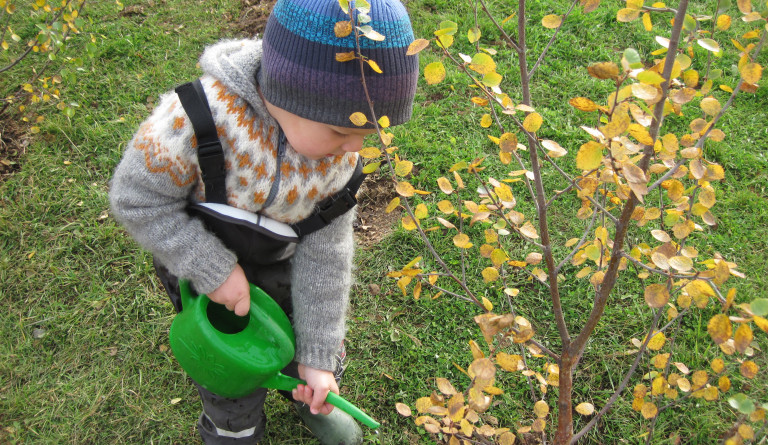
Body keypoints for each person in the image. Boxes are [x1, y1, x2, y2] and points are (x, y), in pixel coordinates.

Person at [108, 0, 419, 443]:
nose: (354, 148)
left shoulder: (335, 159)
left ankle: (310, 394)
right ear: (289, 93)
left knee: (306, 353)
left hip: (283, 272)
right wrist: (212, 270)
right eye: (342, 131)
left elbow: (326, 254)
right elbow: (137, 200)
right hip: (202, 270)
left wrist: (318, 357)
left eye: (370, 134)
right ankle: (235, 427)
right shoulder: (193, 120)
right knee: (231, 369)